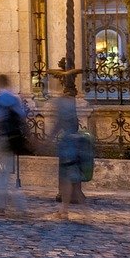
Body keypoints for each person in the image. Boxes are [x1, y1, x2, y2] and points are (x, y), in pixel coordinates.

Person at [0, 74, 28, 216]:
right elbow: (22, 118)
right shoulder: (14, 99)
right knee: (6, 173)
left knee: (1, 174)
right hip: (13, 139)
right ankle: (16, 205)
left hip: (2, 140)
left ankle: (6, 205)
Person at [52, 91, 87, 220]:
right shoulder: (72, 117)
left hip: (69, 152)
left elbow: (55, 129)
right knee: (69, 183)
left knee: (74, 186)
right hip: (73, 151)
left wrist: (43, 143)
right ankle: (63, 211)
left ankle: (85, 214)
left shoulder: (64, 118)